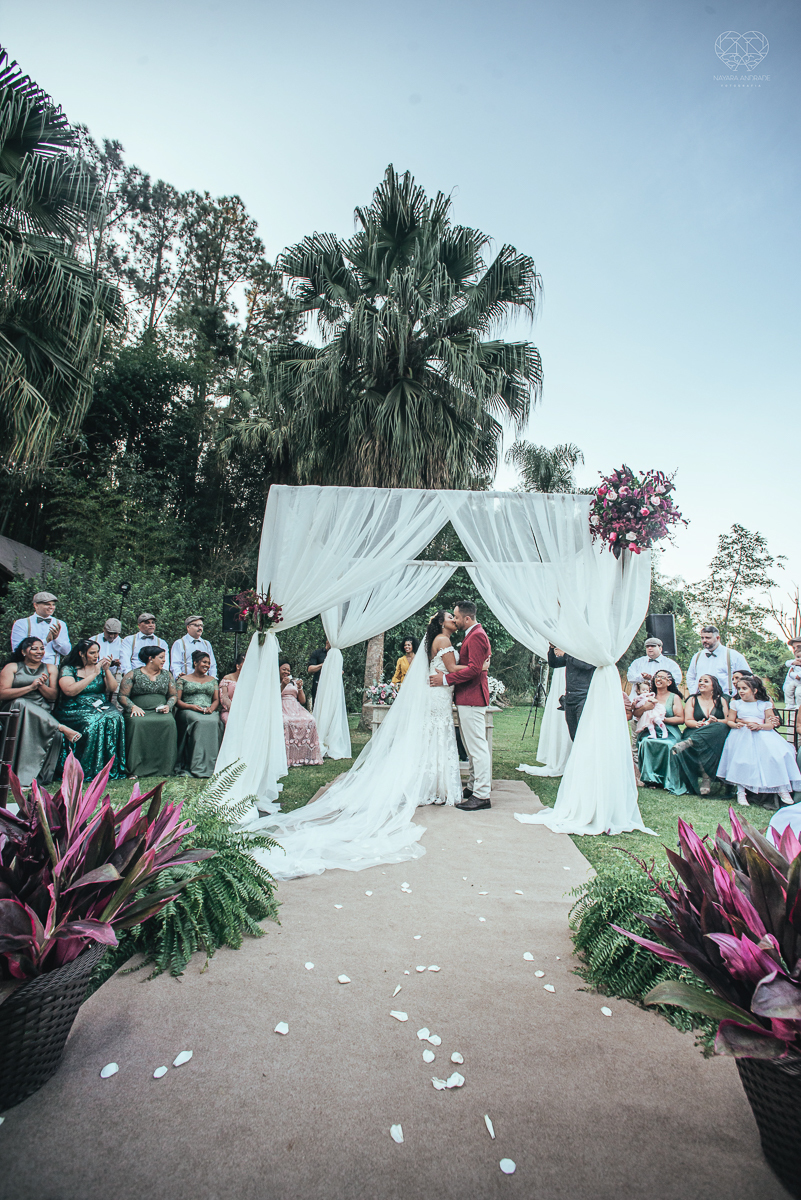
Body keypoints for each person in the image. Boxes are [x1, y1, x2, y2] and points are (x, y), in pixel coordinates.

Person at [430, 600, 492, 811]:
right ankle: (474, 787)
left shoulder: (476, 636)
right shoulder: (472, 635)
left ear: (467, 618)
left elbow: (475, 670)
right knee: (471, 746)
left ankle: (482, 795)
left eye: (456, 617)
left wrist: (446, 680)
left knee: (477, 748)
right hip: (467, 697)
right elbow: (476, 666)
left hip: (473, 698)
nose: (455, 620)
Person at [0, 636, 80, 786]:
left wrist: (40, 686)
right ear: (24, 652)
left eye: (42, 648)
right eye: (34, 648)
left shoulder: (50, 668)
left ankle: (33, 778)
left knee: (30, 709)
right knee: (21, 702)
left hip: (40, 710)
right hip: (13, 710)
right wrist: (30, 687)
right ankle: (59, 726)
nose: (39, 652)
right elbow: (2, 693)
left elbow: (53, 696)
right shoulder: (12, 667)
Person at [717, 675, 801, 806]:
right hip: (741, 735)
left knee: (777, 755)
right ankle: (741, 792)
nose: (741, 691)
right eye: (739, 688)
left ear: (755, 690)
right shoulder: (736, 703)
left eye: (744, 688)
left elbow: (770, 724)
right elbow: (730, 720)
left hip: (762, 733)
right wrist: (735, 725)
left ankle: (782, 788)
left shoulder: (765, 704)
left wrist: (759, 726)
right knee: (742, 761)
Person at [54, 640, 127, 781]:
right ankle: (86, 768)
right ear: (81, 654)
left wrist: (106, 670)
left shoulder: (99, 667)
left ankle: (109, 768)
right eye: (92, 653)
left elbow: (112, 688)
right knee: (94, 721)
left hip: (99, 704)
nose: (96, 656)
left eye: (97, 652)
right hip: (74, 706)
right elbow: (69, 691)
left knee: (116, 717)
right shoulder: (69, 669)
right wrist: (94, 674)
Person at [118, 644, 178, 778]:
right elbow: (122, 696)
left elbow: (173, 695)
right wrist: (132, 706)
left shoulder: (167, 675)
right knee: (137, 723)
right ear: (151, 658)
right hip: (138, 710)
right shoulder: (133, 674)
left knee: (169, 722)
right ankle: (135, 769)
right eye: (161, 657)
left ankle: (165, 768)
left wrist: (168, 705)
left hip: (160, 710)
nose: (164, 660)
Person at [671, 673, 732, 797]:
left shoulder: (722, 699)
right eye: (700, 681)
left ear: (714, 686)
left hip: (716, 733)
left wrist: (716, 721)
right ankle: (705, 777)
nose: (701, 683)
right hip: (696, 730)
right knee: (701, 740)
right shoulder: (692, 699)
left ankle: (689, 743)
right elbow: (688, 720)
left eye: (706, 681)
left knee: (720, 726)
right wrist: (698, 724)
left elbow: (727, 720)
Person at [635, 669, 686, 792]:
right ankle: (651, 779)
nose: (658, 679)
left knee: (668, 745)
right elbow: (636, 713)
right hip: (650, 730)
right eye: (657, 677)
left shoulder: (675, 697)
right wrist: (645, 708)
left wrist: (662, 719)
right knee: (646, 742)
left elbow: (680, 719)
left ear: (669, 682)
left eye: (662, 677)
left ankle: (667, 779)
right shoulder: (649, 696)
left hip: (669, 731)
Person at [175, 651, 222, 777]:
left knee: (214, 721)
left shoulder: (213, 680)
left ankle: (212, 765)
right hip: (188, 710)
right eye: (204, 662)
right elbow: (177, 701)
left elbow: (216, 699)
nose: (207, 665)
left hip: (208, 710)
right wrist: (192, 707)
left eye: (208, 663)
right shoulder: (183, 679)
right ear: (195, 663)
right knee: (199, 721)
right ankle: (196, 764)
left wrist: (211, 709)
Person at [547, 645, 595, 741]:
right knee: (573, 735)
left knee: (584, 733)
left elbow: (585, 665)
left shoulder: (589, 651)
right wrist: (552, 649)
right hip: (570, 698)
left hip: (584, 697)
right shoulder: (570, 655)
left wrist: (565, 654)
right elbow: (554, 663)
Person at [280, 659, 323, 765]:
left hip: (295, 707)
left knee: (311, 720)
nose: (287, 672)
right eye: (284, 669)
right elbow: (272, 698)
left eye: (289, 670)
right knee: (286, 722)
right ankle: (288, 757)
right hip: (282, 706)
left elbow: (302, 700)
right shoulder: (274, 681)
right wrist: (282, 686)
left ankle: (307, 756)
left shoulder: (293, 681)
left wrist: (300, 688)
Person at [685, 625, 749, 697]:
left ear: (718, 638)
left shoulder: (733, 656)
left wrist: (736, 695)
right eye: (702, 638)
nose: (704, 640)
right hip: (702, 699)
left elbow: (747, 678)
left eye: (708, 638)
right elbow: (690, 676)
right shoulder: (697, 656)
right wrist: (694, 693)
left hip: (726, 698)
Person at [10, 591, 71, 665]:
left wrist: (56, 639)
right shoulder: (21, 623)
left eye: (53, 604)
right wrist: (45, 641)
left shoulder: (60, 624)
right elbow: (17, 650)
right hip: (28, 668)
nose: (51, 607)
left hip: (52, 669)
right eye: (47, 604)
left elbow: (66, 652)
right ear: (36, 605)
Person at [219, 652, 246, 725]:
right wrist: (233, 709)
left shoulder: (250, 681)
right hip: (229, 711)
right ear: (238, 666)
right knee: (232, 722)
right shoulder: (227, 679)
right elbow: (224, 697)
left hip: (246, 712)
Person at [307, 640, 330, 709]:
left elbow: (342, 671)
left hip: (331, 684)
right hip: (318, 683)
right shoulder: (317, 653)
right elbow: (310, 669)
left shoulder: (337, 654)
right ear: (327, 641)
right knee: (317, 706)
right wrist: (323, 665)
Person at [782, 639, 801, 715]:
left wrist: (793, 674)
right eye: (794, 648)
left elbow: (796, 676)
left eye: (798, 647)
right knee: (791, 723)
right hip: (793, 701)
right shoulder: (794, 663)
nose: (796, 650)